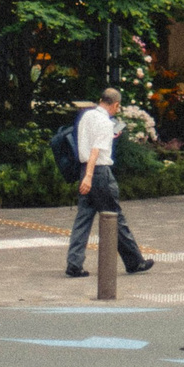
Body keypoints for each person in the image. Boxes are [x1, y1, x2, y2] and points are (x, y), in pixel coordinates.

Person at [64, 88, 152, 280]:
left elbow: (86, 142)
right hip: (99, 172)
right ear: (115, 105)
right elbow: (95, 150)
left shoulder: (87, 115)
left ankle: (74, 263)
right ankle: (135, 261)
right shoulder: (105, 123)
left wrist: (85, 175)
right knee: (115, 216)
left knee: (83, 218)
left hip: (84, 168)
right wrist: (89, 176)